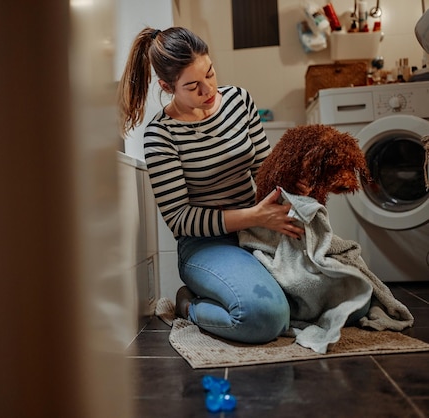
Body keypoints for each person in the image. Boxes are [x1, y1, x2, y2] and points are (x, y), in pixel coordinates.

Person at [117, 27, 306, 344]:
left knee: (328, 294)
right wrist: (255, 216)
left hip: (258, 229)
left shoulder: (239, 101)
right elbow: (180, 219)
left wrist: (293, 195)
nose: (209, 90)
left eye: (211, 73)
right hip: (205, 245)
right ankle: (187, 304)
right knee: (265, 317)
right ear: (167, 86)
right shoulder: (160, 135)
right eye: (193, 86)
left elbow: (266, 170)